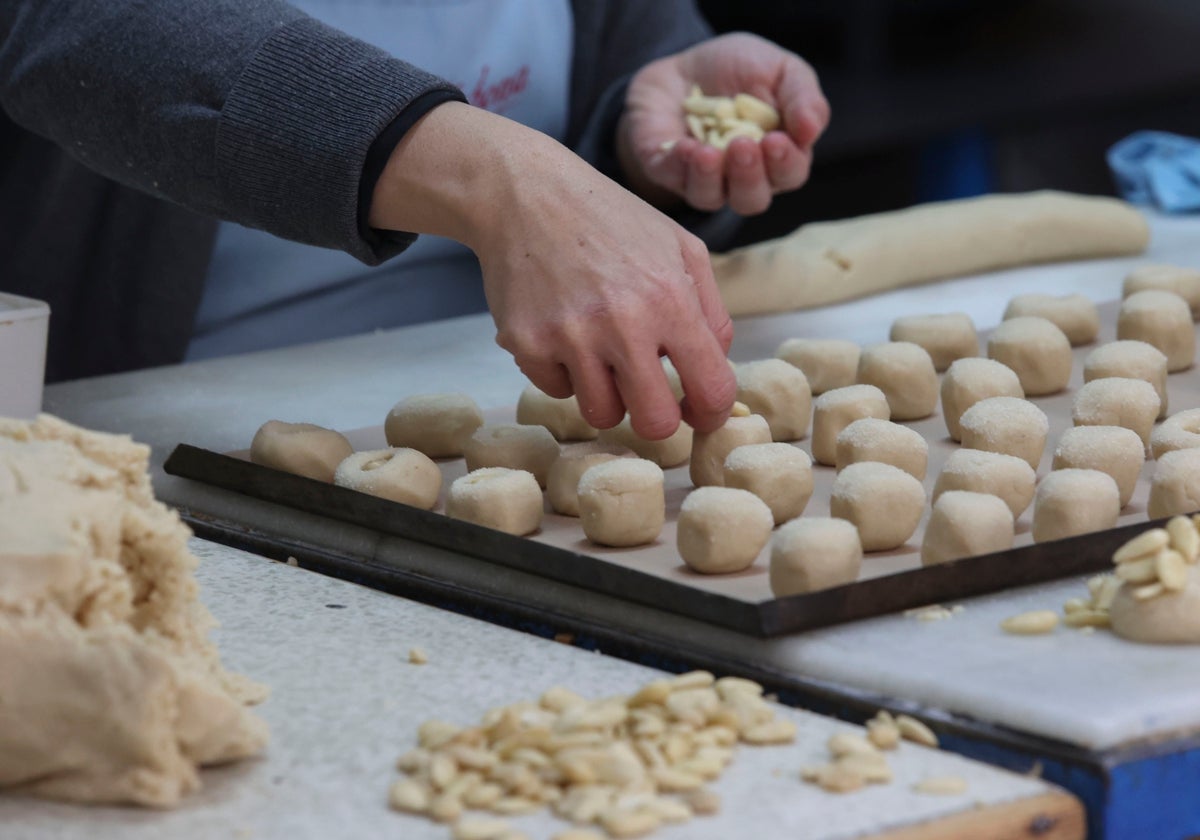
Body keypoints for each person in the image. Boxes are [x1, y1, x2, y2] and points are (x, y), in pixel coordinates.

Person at [0, 0, 828, 439]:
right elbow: (79, 26)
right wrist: (503, 181)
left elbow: (636, 56)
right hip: (190, 424)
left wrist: (648, 148)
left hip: (524, 417)